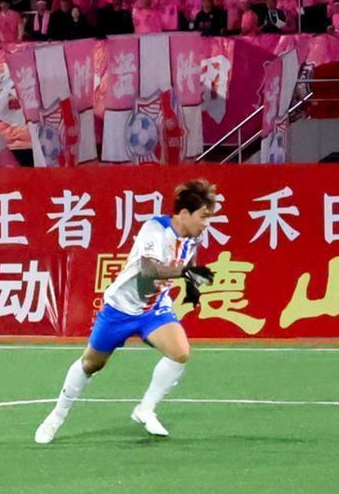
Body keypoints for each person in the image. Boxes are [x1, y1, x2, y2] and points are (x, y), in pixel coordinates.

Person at [35, 179, 218, 444]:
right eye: (203, 216)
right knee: (91, 363)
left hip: (154, 308)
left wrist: (191, 285)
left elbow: (189, 260)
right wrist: (185, 272)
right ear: (184, 213)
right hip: (120, 308)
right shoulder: (155, 229)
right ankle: (56, 417)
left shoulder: (194, 236)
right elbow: (148, 269)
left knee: (180, 352)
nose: (206, 223)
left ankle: (145, 409)